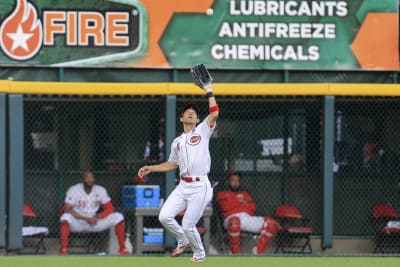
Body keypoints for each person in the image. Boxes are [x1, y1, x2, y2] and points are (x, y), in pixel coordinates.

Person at [137, 68, 219, 262]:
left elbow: (214, 112)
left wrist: (208, 89)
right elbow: (172, 164)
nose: (190, 113)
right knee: (164, 217)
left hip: (200, 185)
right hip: (183, 185)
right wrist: (152, 168)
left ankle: (199, 253)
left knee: (189, 224)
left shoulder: (202, 131)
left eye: (194, 113)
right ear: (181, 118)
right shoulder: (177, 142)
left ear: (198, 119)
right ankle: (182, 240)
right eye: (186, 112)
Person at [59, 171, 129, 255]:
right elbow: (67, 209)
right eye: (87, 178)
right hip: (79, 222)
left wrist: (97, 217)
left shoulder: (100, 190)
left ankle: (123, 249)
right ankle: (64, 249)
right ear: (83, 179)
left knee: (118, 216)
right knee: (65, 217)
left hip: (95, 222)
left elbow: (110, 208)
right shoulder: (74, 189)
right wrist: (86, 219)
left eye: (91, 177)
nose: (90, 180)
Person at [216, 171, 282, 254]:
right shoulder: (222, 194)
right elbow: (225, 207)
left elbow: (252, 208)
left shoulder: (245, 194)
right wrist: (242, 203)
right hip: (230, 219)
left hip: (247, 218)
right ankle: (235, 253)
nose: (235, 183)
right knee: (234, 222)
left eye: (237, 181)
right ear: (228, 182)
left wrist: (235, 203)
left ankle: (258, 251)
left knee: (272, 224)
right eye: (233, 180)